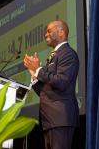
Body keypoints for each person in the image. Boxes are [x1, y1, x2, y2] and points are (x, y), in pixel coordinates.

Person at [24, 20, 79, 149]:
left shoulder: (68, 54)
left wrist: (39, 69)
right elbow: (46, 91)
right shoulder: (54, 56)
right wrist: (34, 74)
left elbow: (61, 82)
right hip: (49, 120)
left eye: (49, 31)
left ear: (61, 32)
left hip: (60, 119)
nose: (45, 34)